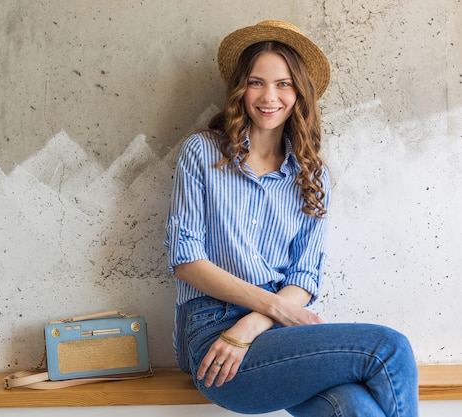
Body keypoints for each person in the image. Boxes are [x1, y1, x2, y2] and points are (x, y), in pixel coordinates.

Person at [164, 20, 419, 416]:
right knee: (390, 349)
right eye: (256, 82)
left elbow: (304, 276)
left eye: (283, 84)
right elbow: (186, 261)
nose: (269, 96)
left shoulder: (311, 175)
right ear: (239, 89)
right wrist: (270, 312)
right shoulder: (202, 152)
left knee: (353, 408)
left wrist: (257, 321)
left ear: (299, 92)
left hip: (272, 331)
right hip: (212, 334)